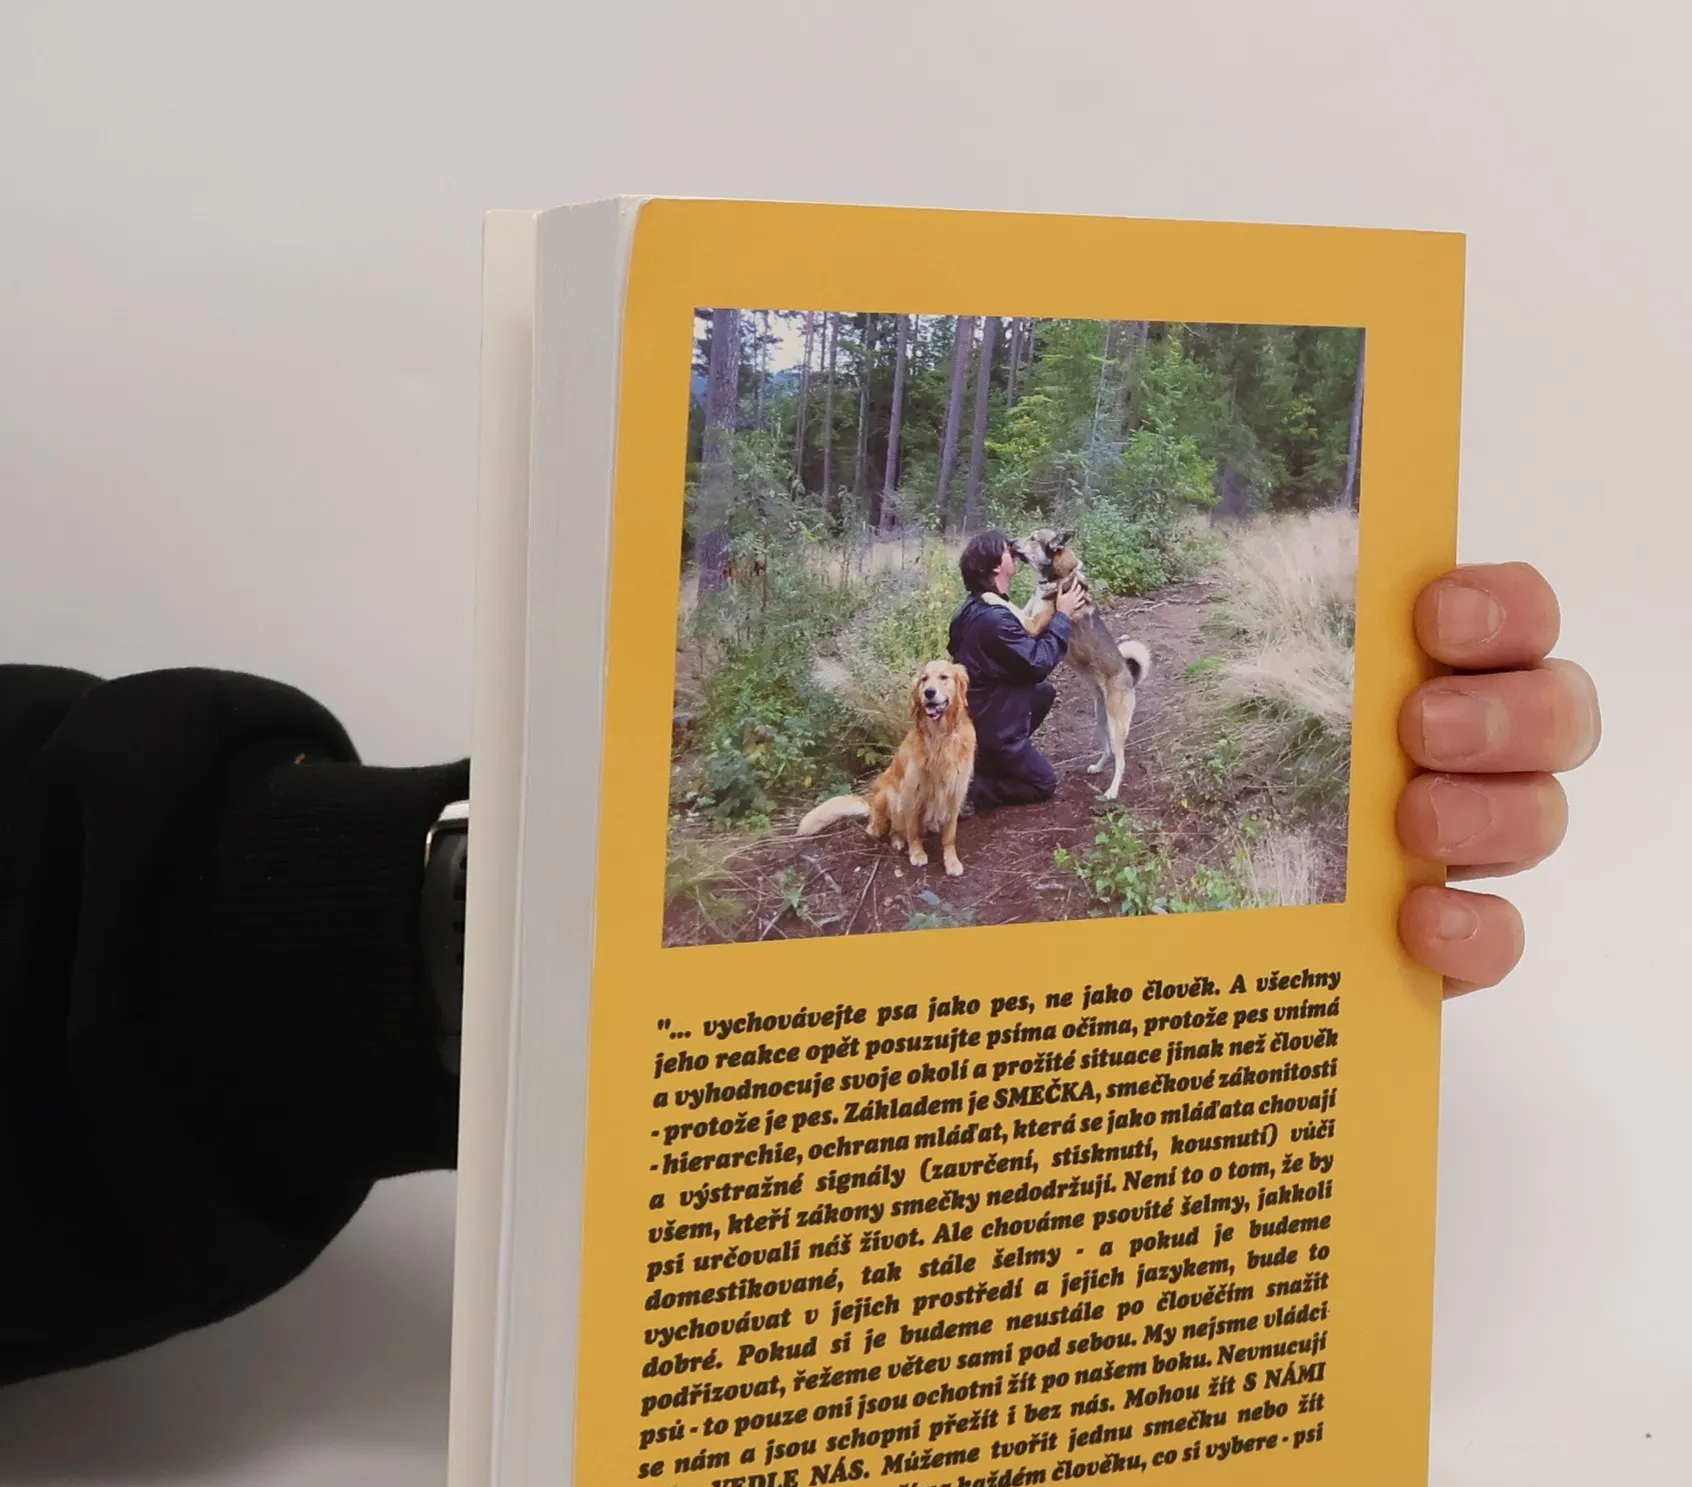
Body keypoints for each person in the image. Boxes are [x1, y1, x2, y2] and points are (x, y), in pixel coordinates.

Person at [0, 563, 1596, 1387]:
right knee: (938, 809)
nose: (932, 684)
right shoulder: (969, 646)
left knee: (992, 799)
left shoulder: (989, 643)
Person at [947, 528, 1090, 810]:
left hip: (977, 707)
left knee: (1043, 692)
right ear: (996, 566)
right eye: (1006, 549)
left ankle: (996, 758)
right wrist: (1062, 615)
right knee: (1044, 783)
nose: (1013, 549)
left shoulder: (975, 606)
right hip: (989, 723)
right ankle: (975, 789)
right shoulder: (994, 619)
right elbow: (1038, 663)